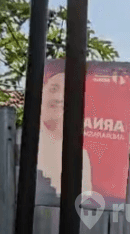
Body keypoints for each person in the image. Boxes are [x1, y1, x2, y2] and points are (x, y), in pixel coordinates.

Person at [37, 61, 92, 197]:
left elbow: (84, 201)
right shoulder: (28, 141)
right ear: (43, 92)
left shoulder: (81, 155)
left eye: (66, 91)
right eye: (54, 89)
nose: (58, 97)